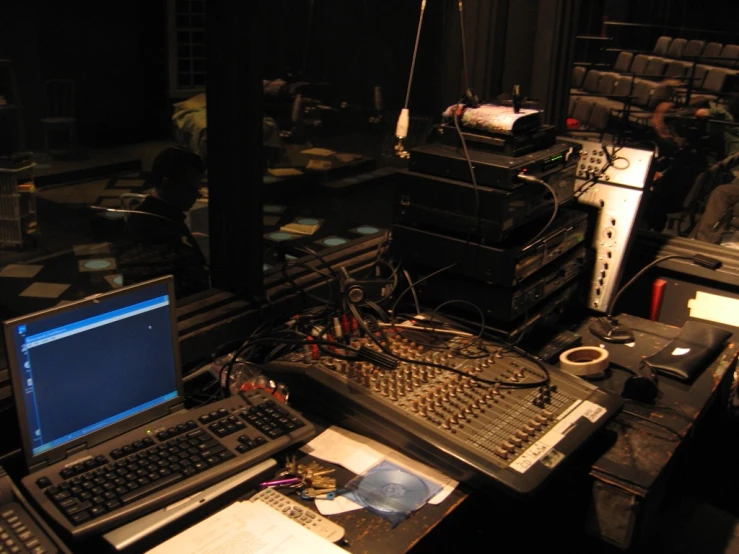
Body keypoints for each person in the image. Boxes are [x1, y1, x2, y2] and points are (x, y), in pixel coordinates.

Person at [119, 146, 210, 298]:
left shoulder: (161, 215)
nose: (196, 195)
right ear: (167, 184)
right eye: (190, 188)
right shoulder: (151, 224)